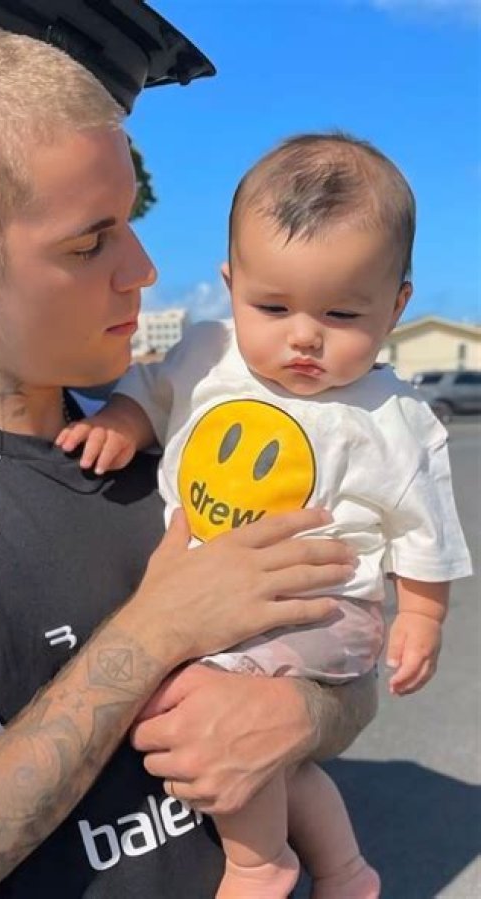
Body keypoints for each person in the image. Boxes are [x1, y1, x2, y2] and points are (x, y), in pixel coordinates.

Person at [0, 30, 376, 899]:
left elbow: (352, 664)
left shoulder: (184, 437)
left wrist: (300, 712)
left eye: (131, 223)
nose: (143, 269)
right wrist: (157, 628)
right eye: (90, 243)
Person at [57, 132, 472, 898]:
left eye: (342, 312)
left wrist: (422, 615)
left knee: (202, 699)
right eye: (272, 306)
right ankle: (345, 870)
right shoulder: (207, 353)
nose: (304, 335)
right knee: (271, 754)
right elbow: (150, 392)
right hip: (224, 601)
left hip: (318, 605)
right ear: (231, 283)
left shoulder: (393, 415)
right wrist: (121, 422)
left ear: (396, 306)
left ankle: (258, 862)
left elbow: (425, 531)